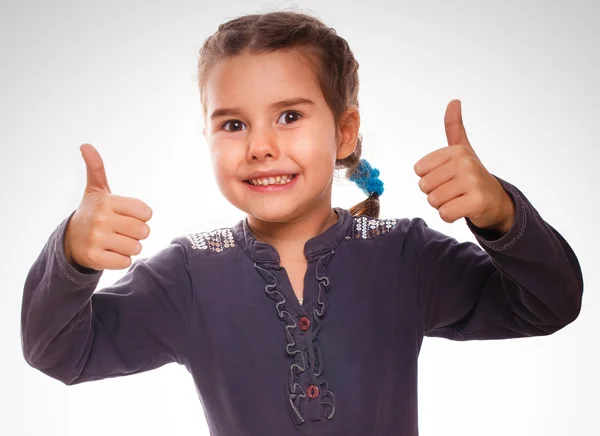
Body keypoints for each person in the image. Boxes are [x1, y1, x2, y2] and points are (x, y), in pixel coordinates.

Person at [20, 10, 584, 436]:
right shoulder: (191, 272)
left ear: (343, 132)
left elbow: (549, 303)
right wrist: (70, 255)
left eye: (289, 116)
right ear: (206, 138)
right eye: (234, 124)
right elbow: (60, 352)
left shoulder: (403, 254)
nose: (261, 147)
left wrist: (501, 216)